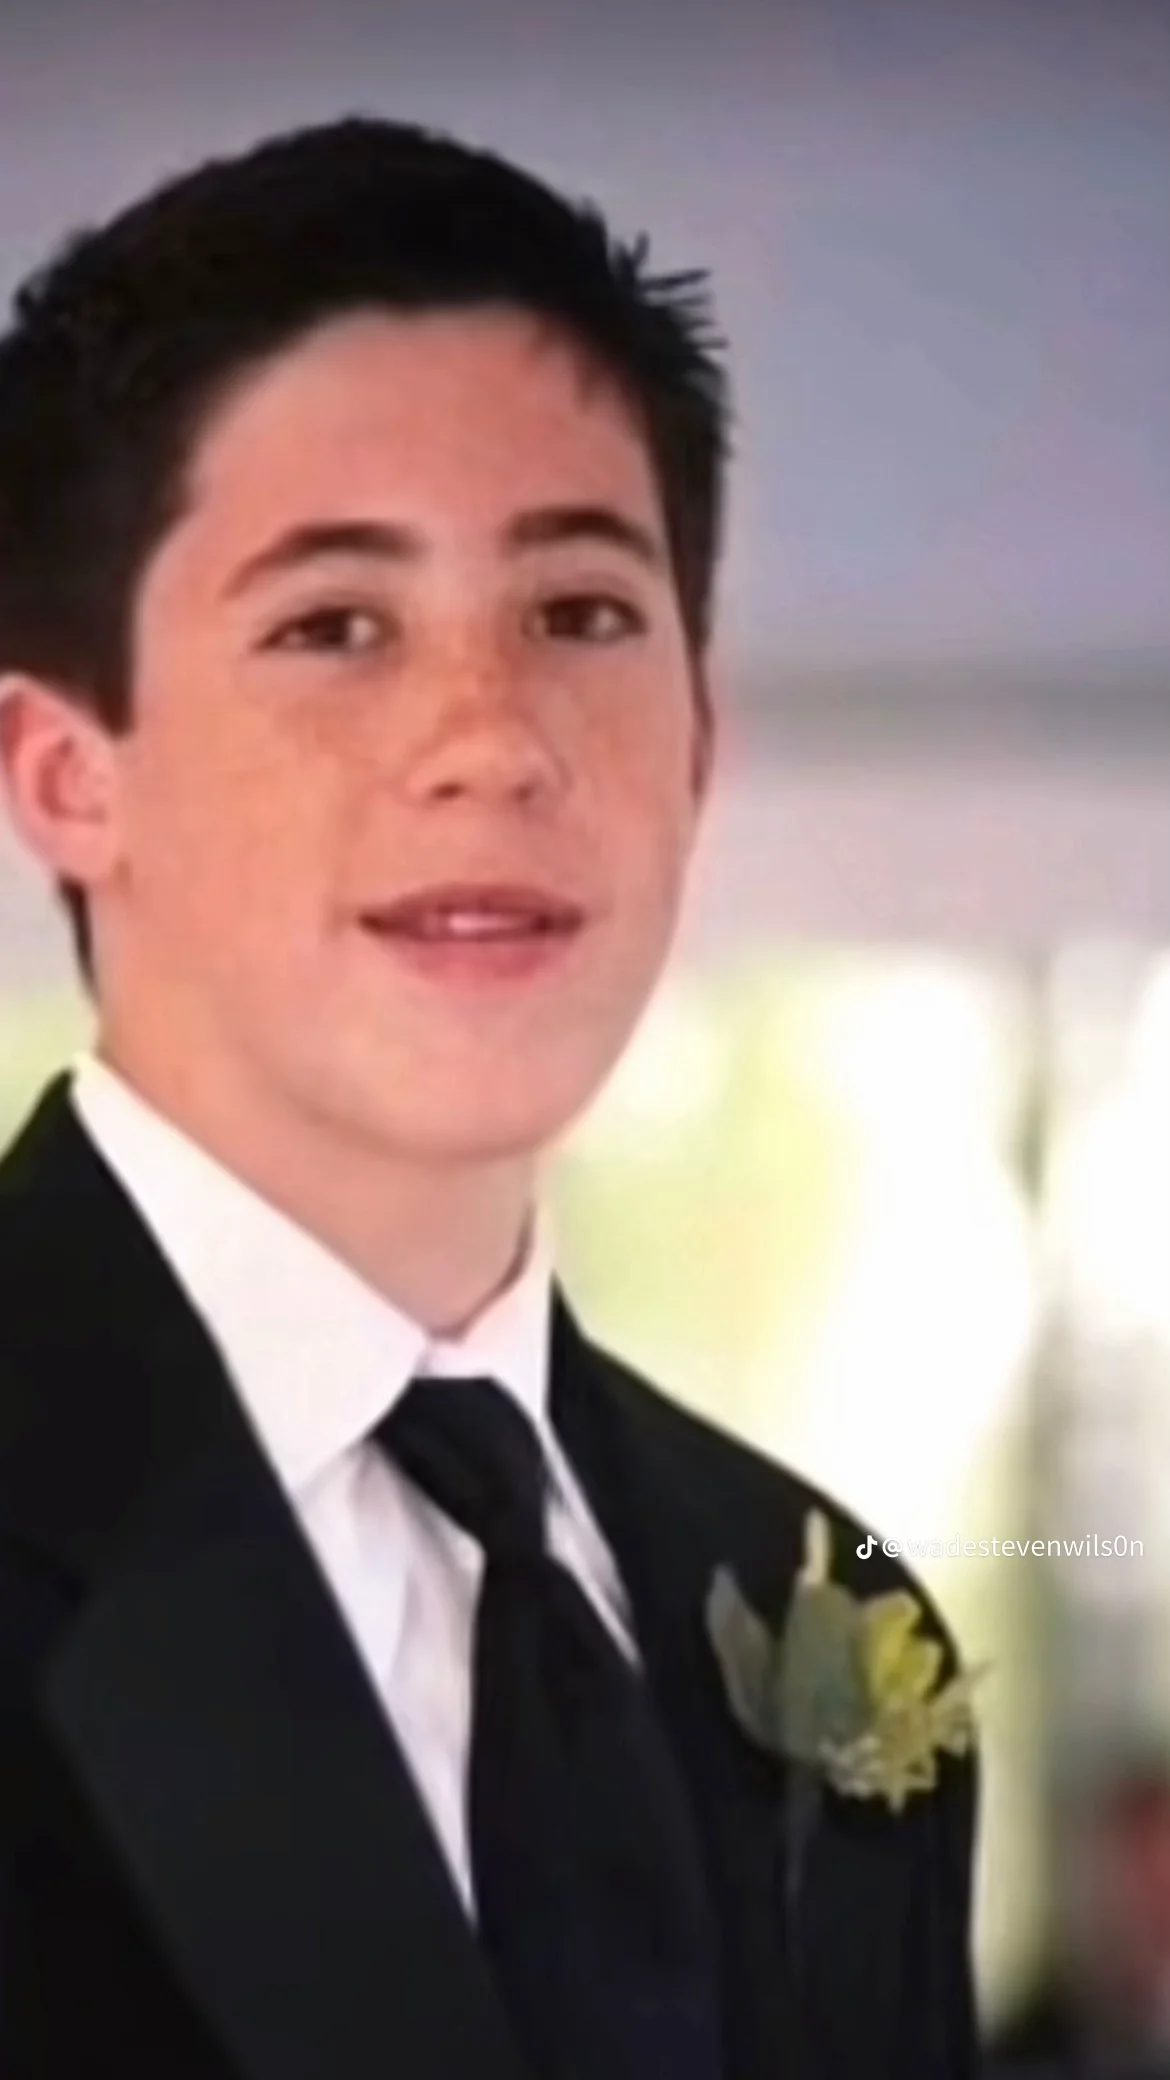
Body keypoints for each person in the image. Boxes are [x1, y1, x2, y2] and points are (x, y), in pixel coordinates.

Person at [0, 117, 977, 2079]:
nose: (492, 738)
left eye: (581, 613)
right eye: (336, 624)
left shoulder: (826, 1597)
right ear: (63, 774)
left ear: (702, 741)